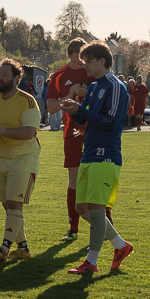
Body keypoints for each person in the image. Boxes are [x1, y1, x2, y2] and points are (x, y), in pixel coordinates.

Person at [64, 42, 134, 275]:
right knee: (82, 208)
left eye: (88, 61)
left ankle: (91, 262)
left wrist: (81, 111)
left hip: (106, 155)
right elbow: (84, 119)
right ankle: (120, 246)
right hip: (89, 153)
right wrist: (73, 110)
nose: (84, 66)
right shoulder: (93, 87)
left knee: (95, 208)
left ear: (102, 61)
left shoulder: (116, 86)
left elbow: (111, 122)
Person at [0, 58, 43, 261]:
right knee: (8, 206)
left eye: (5, 75)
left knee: (14, 204)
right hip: (1, 160)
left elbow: (29, 132)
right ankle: (23, 248)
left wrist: (2, 131)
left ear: (17, 78)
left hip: (24, 159)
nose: (0, 78)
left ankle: (4, 248)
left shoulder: (27, 101)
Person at [46, 38, 90, 238]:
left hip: (94, 129)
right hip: (72, 131)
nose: (83, 60)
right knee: (74, 176)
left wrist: (89, 94)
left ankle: (104, 225)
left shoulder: (92, 72)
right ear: (71, 54)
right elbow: (51, 107)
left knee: (95, 176)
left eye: (86, 56)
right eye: (80, 55)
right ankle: (73, 227)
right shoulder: (59, 76)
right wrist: (69, 95)